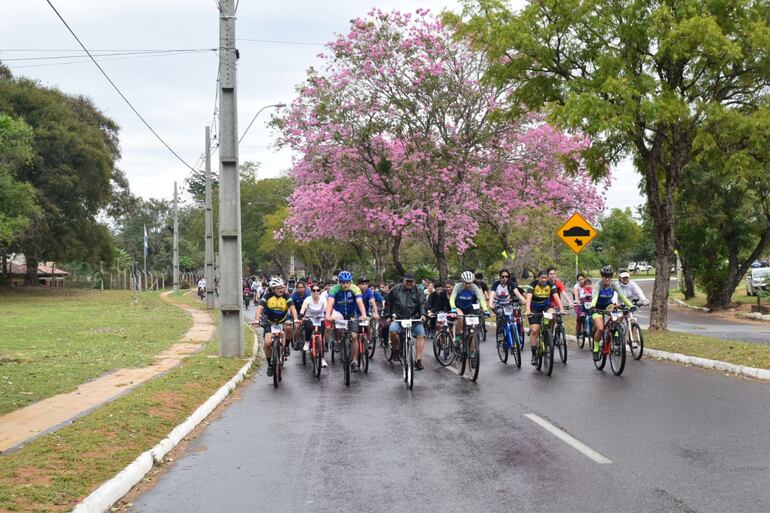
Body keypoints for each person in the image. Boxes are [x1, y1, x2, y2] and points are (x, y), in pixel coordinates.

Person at [253, 277, 300, 377]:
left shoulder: (287, 296)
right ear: (273, 289)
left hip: (283, 320)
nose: (281, 290)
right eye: (278, 288)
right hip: (269, 322)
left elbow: (293, 309)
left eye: (282, 287)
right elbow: (259, 308)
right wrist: (257, 320)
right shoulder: (267, 296)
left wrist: (295, 319)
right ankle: (270, 364)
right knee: (267, 343)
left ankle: (286, 346)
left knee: (289, 328)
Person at [325, 271, 368, 372]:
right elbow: (330, 302)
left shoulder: (355, 288)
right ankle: (336, 340)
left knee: (354, 336)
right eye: (343, 282)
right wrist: (327, 315)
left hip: (351, 314)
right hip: (339, 312)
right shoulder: (334, 289)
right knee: (335, 320)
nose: (345, 285)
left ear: (350, 282)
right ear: (339, 282)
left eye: (347, 282)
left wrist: (364, 314)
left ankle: (354, 361)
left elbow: (359, 302)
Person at [384, 272, 428, 370]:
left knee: (421, 335)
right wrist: (388, 316)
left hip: (414, 319)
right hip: (398, 318)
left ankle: (418, 360)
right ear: (403, 280)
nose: (409, 283)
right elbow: (388, 303)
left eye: (411, 281)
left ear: (414, 282)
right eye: (407, 281)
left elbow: (422, 304)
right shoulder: (396, 290)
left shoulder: (419, 291)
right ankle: (396, 349)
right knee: (393, 331)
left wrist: (423, 314)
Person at [590, 266, 634, 361]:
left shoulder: (614, 285)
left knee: (619, 315)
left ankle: (616, 335)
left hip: (608, 306)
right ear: (601, 277)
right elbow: (595, 298)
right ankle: (596, 349)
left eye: (609, 277)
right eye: (605, 277)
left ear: (611, 277)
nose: (607, 279)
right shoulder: (599, 285)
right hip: (596, 307)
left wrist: (631, 306)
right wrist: (592, 307)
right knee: (601, 328)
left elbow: (623, 297)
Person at [524, 270, 565, 366]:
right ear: (538, 278)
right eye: (542, 278)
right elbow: (528, 298)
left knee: (553, 315)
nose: (544, 279)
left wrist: (562, 309)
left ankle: (548, 332)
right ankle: (534, 355)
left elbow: (556, 297)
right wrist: (527, 310)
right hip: (534, 308)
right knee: (535, 330)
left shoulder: (550, 284)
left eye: (545, 278)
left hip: (546, 306)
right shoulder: (532, 285)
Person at [450, 271, 490, 348]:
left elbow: (481, 299)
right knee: (460, 319)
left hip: (470, 308)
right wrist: (453, 308)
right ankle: (458, 338)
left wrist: (485, 310)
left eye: (470, 283)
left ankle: (472, 350)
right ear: (462, 281)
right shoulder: (458, 286)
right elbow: (452, 298)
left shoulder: (474, 287)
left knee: (473, 328)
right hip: (459, 307)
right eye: (466, 283)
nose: (468, 285)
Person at [489, 269, 526, 340]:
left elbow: (517, 292)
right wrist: (490, 303)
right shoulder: (496, 284)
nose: (505, 278)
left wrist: (522, 299)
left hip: (507, 305)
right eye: (503, 276)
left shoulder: (511, 284)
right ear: (500, 277)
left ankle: (512, 333)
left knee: (511, 318)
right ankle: (500, 334)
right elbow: (492, 294)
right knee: (500, 313)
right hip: (497, 305)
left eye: (506, 276)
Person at [300, 284, 328, 368]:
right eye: (314, 290)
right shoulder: (308, 299)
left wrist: (327, 314)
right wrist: (301, 314)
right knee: (308, 326)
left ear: (319, 291)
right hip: (310, 318)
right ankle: (307, 342)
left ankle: (322, 358)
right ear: (311, 292)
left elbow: (326, 308)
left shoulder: (323, 299)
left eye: (318, 290)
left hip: (320, 318)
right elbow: (303, 307)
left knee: (321, 337)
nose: (316, 292)